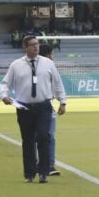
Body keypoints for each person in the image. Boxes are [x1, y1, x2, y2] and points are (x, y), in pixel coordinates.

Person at [0, 35, 66, 183]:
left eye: (37, 44)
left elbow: (57, 83)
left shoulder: (48, 63)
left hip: (44, 106)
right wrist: (4, 95)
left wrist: (63, 101)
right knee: (28, 140)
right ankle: (29, 174)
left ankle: (43, 172)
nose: (36, 47)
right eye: (32, 44)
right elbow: (5, 83)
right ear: (25, 47)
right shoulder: (16, 65)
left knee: (43, 137)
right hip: (24, 107)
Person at [38, 43, 62, 177]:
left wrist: (62, 102)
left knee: (50, 136)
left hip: (50, 106)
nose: (53, 56)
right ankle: (39, 163)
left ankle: (50, 165)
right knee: (39, 136)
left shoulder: (51, 67)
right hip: (35, 107)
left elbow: (58, 84)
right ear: (47, 54)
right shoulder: (34, 67)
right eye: (52, 54)